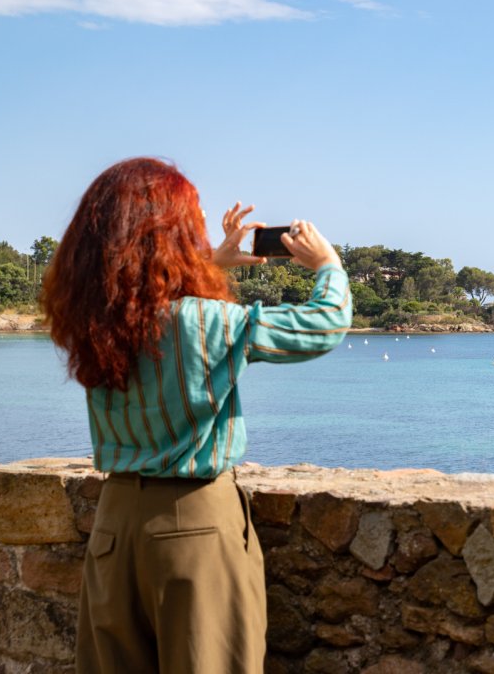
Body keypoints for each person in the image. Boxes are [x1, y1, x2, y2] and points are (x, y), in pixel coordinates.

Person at [40, 157, 352, 673]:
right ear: (173, 235)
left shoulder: (90, 319)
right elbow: (323, 326)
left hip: (113, 528)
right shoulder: (206, 323)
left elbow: (142, 290)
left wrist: (210, 263)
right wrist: (328, 267)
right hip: (194, 526)